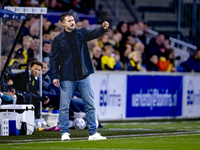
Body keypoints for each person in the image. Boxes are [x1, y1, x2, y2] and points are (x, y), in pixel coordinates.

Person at [50, 12, 108, 141]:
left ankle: (93, 133)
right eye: (69, 21)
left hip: (83, 75)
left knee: (90, 104)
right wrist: (54, 76)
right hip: (66, 76)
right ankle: (64, 133)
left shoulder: (81, 33)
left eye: (73, 20)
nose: (72, 22)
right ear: (62, 23)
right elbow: (54, 60)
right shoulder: (59, 39)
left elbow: (94, 34)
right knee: (64, 106)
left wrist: (103, 28)